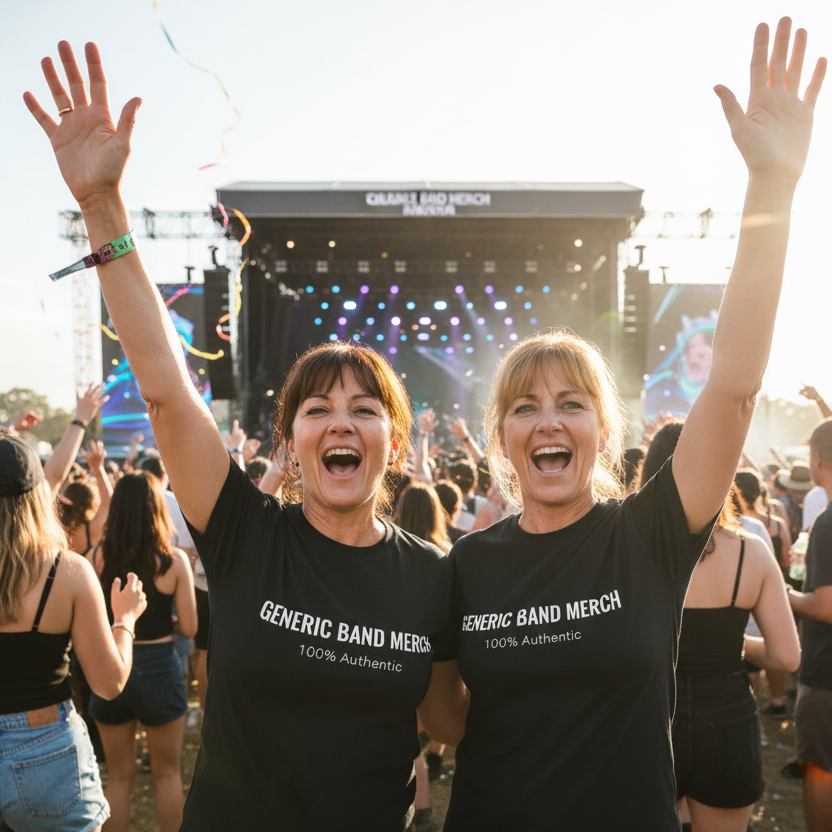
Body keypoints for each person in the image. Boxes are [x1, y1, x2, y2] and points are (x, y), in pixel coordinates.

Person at [24, 40, 464, 830]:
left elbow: (450, 723)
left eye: (365, 409)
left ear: (395, 445)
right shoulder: (244, 533)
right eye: (317, 408)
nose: (340, 421)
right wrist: (102, 208)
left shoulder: (432, 576)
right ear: (291, 439)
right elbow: (163, 388)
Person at [435, 19, 826, 831]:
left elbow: (733, 389)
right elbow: (445, 722)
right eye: (526, 407)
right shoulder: (465, 566)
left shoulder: (649, 535)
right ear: (501, 440)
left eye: (572, 403)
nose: (550, 420)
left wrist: (773, 190)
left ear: (603, 433)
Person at [641, 423, 800, 832]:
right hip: (728, 715)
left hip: (649, 711)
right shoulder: (752, 551)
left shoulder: (624, 545)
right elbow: (786, 655)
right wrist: (732, 643)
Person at [0, 434, 146, 832]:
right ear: (39, 495)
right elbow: (110, 683)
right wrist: (125, 618)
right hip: (44, 748)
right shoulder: (67, 571)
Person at [87, 471, 198, 832]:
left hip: (109, 666)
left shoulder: (96, 558)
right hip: (159, 668)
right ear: (156, 509)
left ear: (116, 509)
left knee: (118, 777)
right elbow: (190, 628)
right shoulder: (174, 561)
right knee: (167, 775)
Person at [786, 418, 832, 832]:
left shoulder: (828, 522)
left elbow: (827, 605)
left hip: (826, 675)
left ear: (817, 461)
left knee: (819, 768)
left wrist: (785, 595)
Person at [58, 441, 113, 557]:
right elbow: (108, 502)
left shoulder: (55, 528)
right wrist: (97, 468)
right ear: (93, 504)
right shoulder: (91, 531)